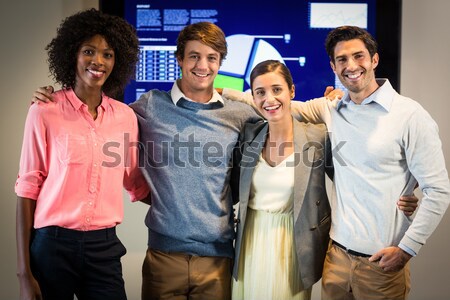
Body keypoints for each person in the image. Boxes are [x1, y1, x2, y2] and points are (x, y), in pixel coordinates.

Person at [31, 22, 418, 299]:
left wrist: (404, 190)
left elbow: (280, 110)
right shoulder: (147, 107)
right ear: (179, 59)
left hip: (220, 256)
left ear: (220, 65)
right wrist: (60, 97)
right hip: (163, 253)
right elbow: (104, 115)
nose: (203, 65)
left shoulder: (242, 113)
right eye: (195, 56)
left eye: (213, 58)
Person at [224, 26, 450, 299]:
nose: (351, 66)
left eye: (359, 56)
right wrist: (216, 88)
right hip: (336, 257)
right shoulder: (330, 108)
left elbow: (438, 190)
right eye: (342, 59)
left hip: (381, 260)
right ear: (333, 65)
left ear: (374, 59)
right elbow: (270, 103)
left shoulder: (410, 115)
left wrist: (407, 248)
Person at [15, 9, 150, 300]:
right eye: (89, 51)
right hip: (52, 246)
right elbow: (27, 189)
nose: (98, 61)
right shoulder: (44, 110)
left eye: (108, 54)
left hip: (104, 248)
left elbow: (134, 181)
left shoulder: (125, 117)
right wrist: (25, 275)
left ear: (119, 61)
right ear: (72, 54)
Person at [230, 60, 333, 300]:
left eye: (277, 90)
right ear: (253, 98)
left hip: (293, 246)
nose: (269, 99)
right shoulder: (249, 135)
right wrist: (222, 91)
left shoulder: (317, 137)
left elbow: (351, 181)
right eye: (260, 92)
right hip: (249, 243)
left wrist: (405, 193)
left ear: (292, 91)